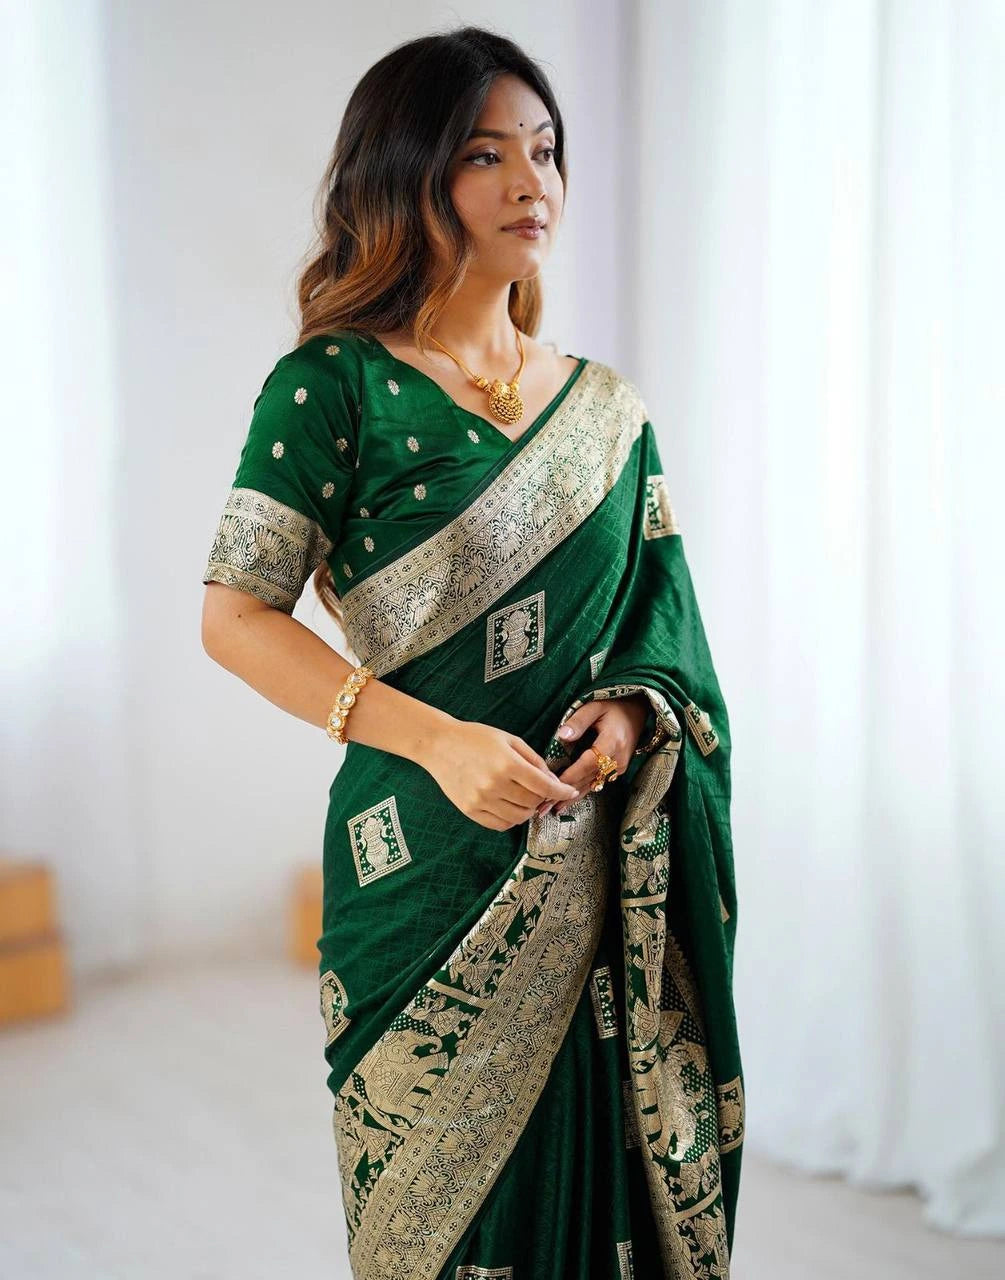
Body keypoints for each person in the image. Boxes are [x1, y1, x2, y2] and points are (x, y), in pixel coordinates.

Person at [200, 24, 743, 1280]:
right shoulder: (328, 388)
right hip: (420, 865)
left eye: (544, 150)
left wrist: (630, 717)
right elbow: (234, 616)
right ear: (406, 176)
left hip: (596, 859)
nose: (530, 183)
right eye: (484, 154)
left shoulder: (607, 410)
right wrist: (435, 739)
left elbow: (664, 627)